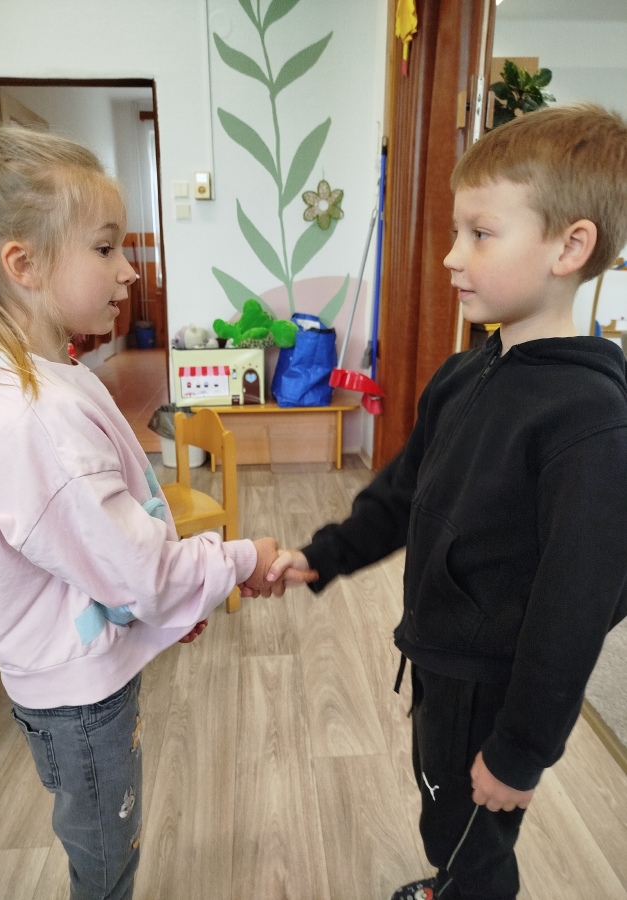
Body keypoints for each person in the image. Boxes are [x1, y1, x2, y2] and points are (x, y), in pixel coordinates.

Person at [256, 103, 627, 900]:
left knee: (468, 836)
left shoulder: (589, 420)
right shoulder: (464, 374)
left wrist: (520, 749)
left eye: (480, 234)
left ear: (569, 247)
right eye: (456, 230)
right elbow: (400, 492)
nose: (451, 256)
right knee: (442, 807)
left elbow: (577, 605)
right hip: (439, 655)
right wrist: (322, 555)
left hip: (494, 685)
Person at [0, 125, 281, 900]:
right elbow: (140, 570)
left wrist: (159, 611)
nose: (128, 269)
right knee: (107, 862)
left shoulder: (51, 379)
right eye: (104, 248)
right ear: (24, 264)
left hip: (81, 684)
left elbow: (103, 554)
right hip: (78, 704)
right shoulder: (43, 419)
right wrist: (237, 560)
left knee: (107, 844)